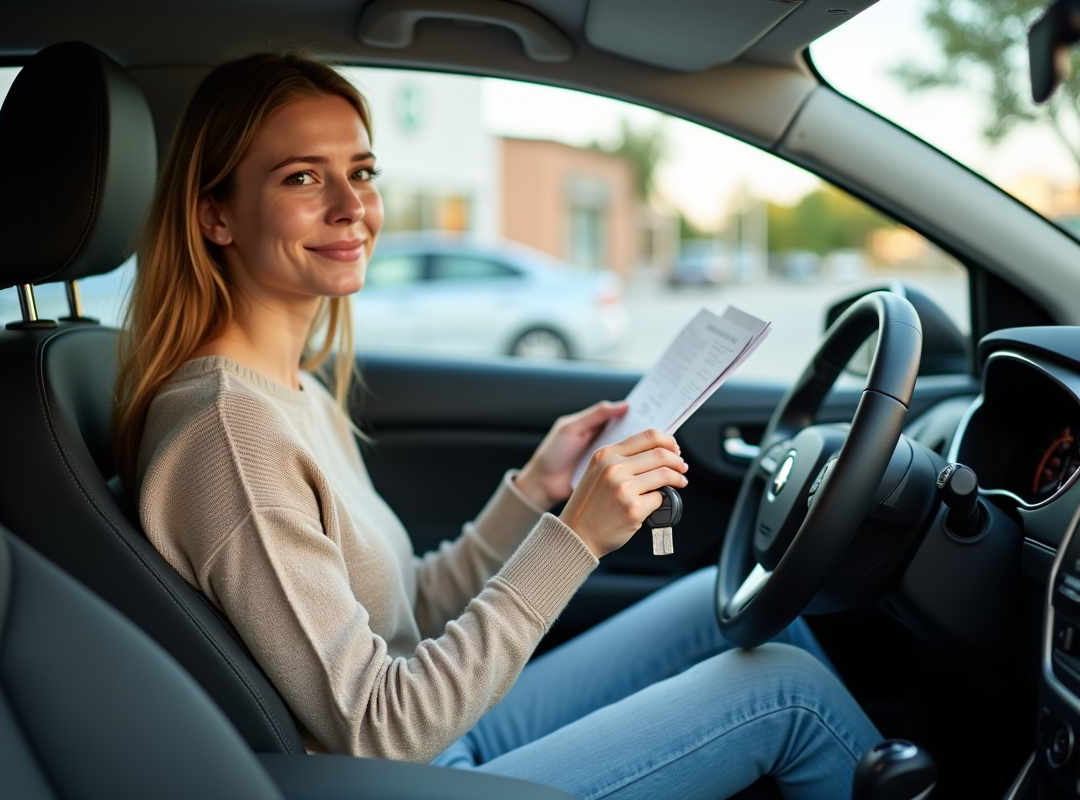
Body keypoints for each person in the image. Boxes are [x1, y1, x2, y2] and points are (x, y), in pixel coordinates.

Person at [113, 53, 881, 800]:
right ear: (216, 215)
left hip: (443, 739)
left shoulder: (294, 390)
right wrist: (575, 535)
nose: (352, 206)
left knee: (713, 609)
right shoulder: (229, 434)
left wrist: (537, 489)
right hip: (405, 771)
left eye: (363, 171)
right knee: (787, 694)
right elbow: (382, 730)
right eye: (303, 177)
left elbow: (405, 606)